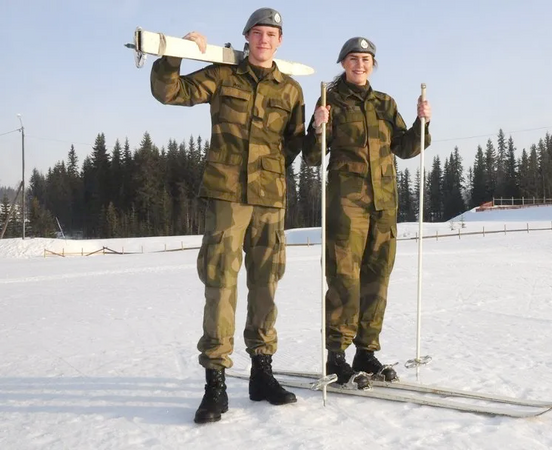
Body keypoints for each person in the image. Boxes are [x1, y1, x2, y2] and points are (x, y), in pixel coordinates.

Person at [150, 7, 306, 423]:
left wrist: (271, 167)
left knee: (266, 284)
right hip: (226, 199)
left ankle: (262, 373)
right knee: (220, 284)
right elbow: (170, 92)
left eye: (271, 34)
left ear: (280, 41)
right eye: (257, 33)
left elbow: (293, 144)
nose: (263, 40)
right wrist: (175, 54)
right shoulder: (222, 75)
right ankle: (215, 383)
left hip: (270, 201)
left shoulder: (290, 90)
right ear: (247, 38)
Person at [304, 37, 432, 389]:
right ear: (343, 63)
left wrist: (423, 124)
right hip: (347, 206)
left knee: (378, 278)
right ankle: (337, 354)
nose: (360, 64)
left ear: (373, 64)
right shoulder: (331, 101)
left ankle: (365, 351)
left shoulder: (384, 103)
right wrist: (317, 126)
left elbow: (406, 148)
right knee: (345, 279)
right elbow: (314, 157)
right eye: (353, 59)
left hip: (384, 204)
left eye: (366, 59)